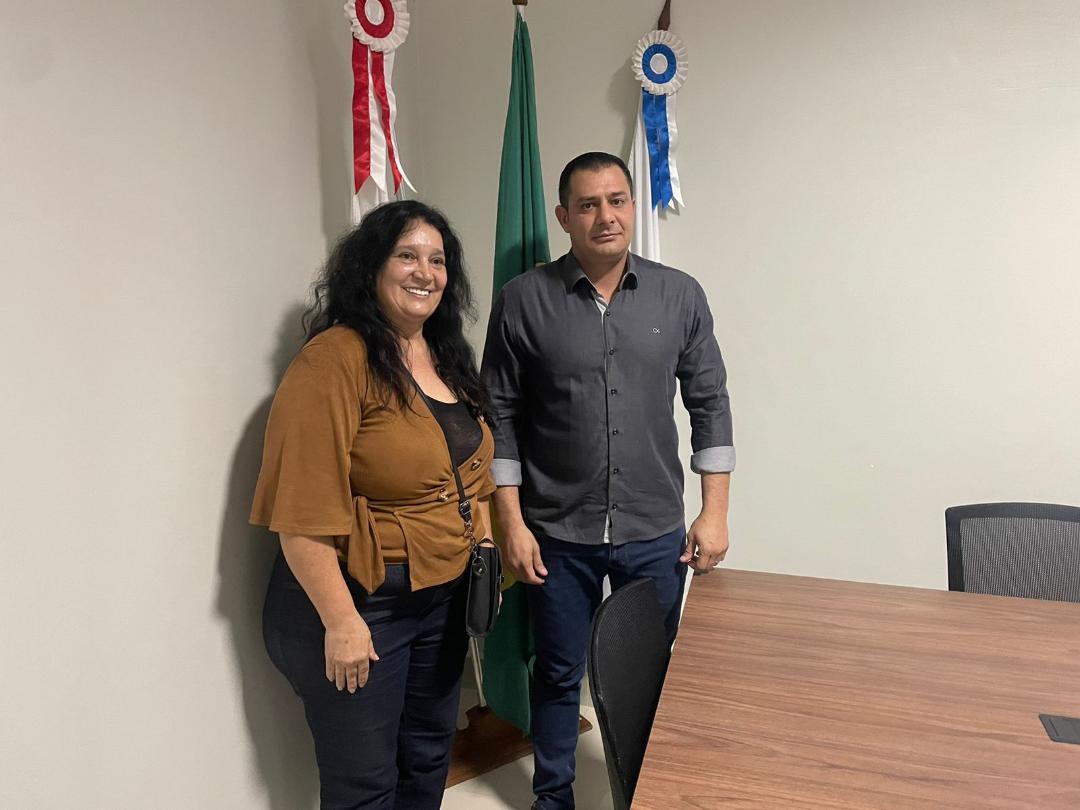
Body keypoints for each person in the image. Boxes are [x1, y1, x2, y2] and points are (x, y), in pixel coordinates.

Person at [481, 152, 735, 810]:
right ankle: (553, 798)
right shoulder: (523, 300)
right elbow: (497, 415)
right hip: (556, 532)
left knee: (650, 672)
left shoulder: (679, 295)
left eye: (617, 200)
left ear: (632, 208)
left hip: (654, 530)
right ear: (563, 216)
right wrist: (509, 522)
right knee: (558, 672)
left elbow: (710, 404)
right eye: (588, 204)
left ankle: (648, 795)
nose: (605, 216)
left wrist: (714, 513)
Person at [250, 200, 496, 810]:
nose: (425, 272)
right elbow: (300, 511)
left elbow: (471, 476)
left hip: (441, 597)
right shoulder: (333, 360)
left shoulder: (444, 355)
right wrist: (341, 622)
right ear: (372, 267)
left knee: (427, 759)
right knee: (365, 787)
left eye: (437, 260)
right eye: (407, 255)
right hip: (361, 603)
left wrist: (485, 545)